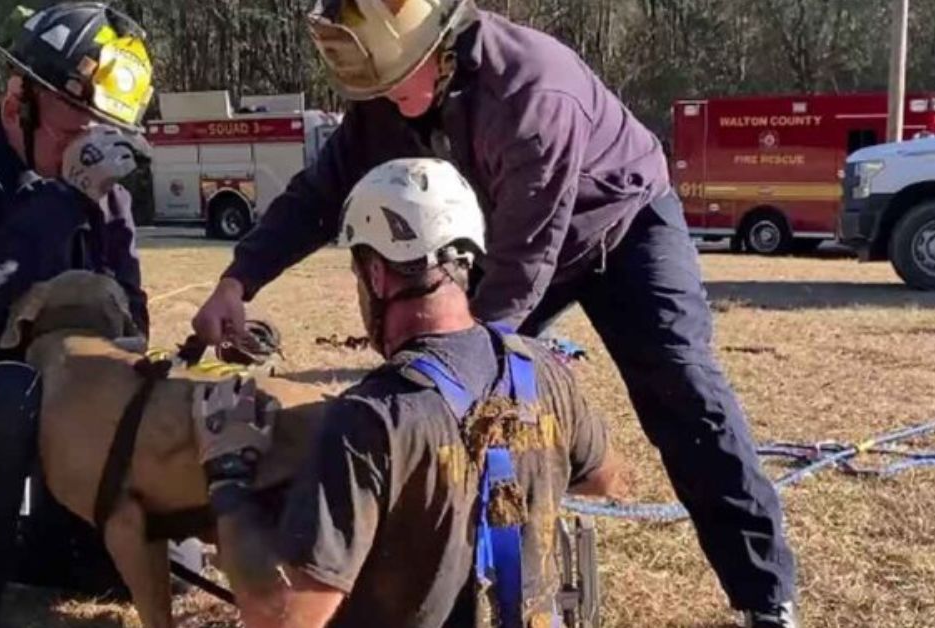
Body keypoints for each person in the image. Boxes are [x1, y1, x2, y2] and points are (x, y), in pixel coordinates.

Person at [191, 1, 798, 625]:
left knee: (684, 393)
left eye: (394, 85)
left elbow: (520, 265)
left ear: (442, 46)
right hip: (508, 230)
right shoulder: (393, 83)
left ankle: (765, 598)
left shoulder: (534, 95)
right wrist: (240, 280)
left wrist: (463, 373)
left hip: (624, 226)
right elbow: (320, 191)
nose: (385, 100)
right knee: (423, 398)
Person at [191, 158, 621, 627]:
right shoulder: (541, 370)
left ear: (376, 274)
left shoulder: (371, 418)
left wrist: (228, 478)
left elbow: (282, 620)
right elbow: (605, 479)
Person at [0, 3, 154, 623]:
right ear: (14, 103)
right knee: (8, 390)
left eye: (108, 137)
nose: (94, 155)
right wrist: (60, 201)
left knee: (150, 553)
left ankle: (49, 551)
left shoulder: (107, 204)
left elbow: (133, 324)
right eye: (77, 134)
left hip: (52, 438)